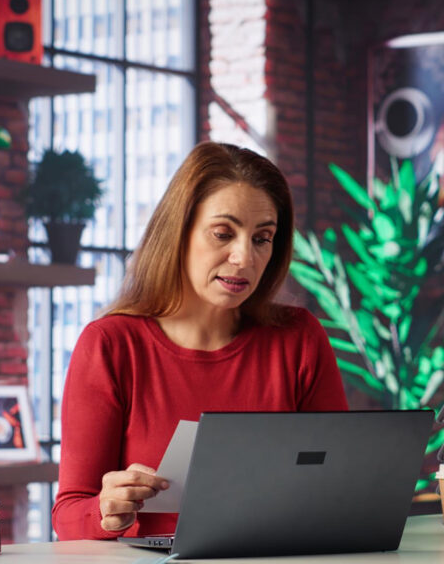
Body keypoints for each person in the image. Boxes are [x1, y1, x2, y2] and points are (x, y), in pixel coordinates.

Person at [51, 142, 349, 541]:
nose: (244, 258)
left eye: (262, 238)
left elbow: (340, 484)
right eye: (223, 234)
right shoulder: (111, 345)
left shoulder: (299, 338)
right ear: (179, 233)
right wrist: (105, 511)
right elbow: (69, 513)